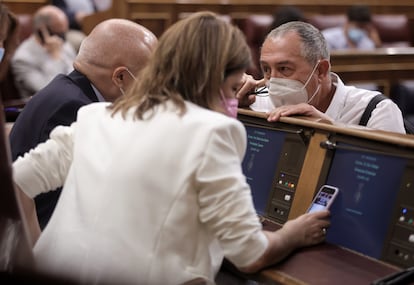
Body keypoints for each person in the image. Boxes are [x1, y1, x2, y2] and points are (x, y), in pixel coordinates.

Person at [13, 11, 330, 284]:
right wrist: (294, 233)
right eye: (234, 88)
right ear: (212, 81)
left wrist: (33, 259)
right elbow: (249, 254)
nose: (235, 101)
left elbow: (15, 180)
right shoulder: (215, 132)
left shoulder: (97, 114)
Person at [9, 18, 157, 230]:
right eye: (149, 80)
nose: (151, 91)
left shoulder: (69, 90)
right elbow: (55, 206)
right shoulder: (76, 109)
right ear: (120, 77)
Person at [237, 21, 405, 134]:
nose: (272, 80)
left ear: (321, 71)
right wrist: (231, 106)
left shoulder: (375, 111)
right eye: (266, 69)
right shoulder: (256, 103)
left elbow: (388, 184)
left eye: (284, 68)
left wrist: (330, 129)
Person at [11, 5, 76, 98]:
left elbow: (75, 74)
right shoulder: (22, 59)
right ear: (42, 30)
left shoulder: (62, 43)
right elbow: (50, 90)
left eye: (64, 33)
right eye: (59, 33)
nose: (62, 39)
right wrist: (55, 58)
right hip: (48, 107)